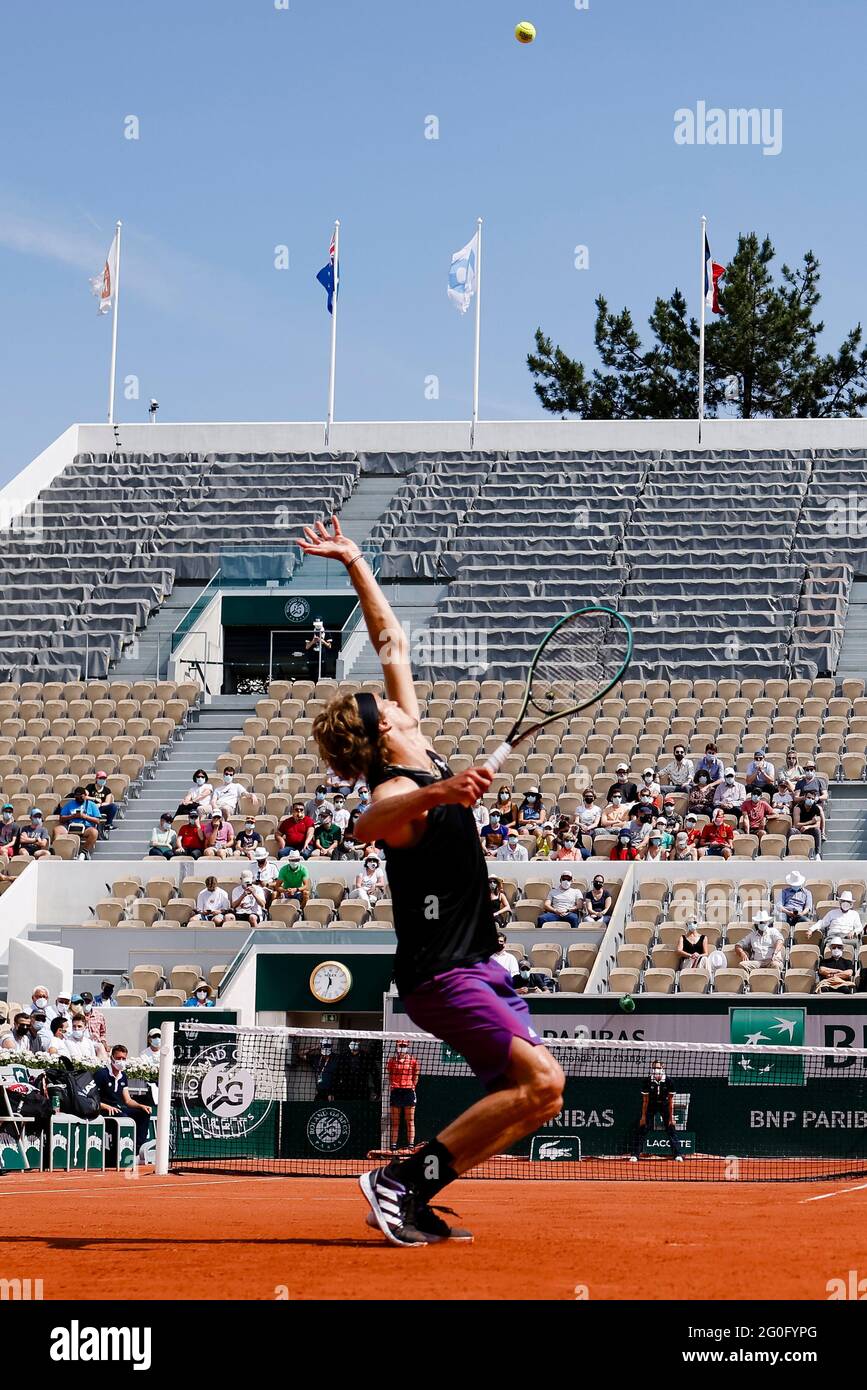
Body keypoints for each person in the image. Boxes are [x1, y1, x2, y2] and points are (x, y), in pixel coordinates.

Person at [301, 514, 564, 1246]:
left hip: (475, 963)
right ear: (377, 730)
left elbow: (391, 641)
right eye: (379, 700)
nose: (389, 693)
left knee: (537, 1097)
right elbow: (362, 828)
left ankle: (412, 1196)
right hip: (441, 976)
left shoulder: (415, 740)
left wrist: (355, 561)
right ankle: (395, 1182)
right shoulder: (394, 793)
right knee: (542, 1084)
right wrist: (436, 797)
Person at [94, 1044, 152, 1157]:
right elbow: (92, 1097)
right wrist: (105, 1106)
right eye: (118, 1058)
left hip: (118, 1108)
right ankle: (118, 1152)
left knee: (144, 1113)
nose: (121, 1061)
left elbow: (128, 1100)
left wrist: (140, 1106)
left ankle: (136, 1150)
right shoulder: (101, 1074)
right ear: (112, 1058)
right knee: (123, 1116)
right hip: (104, 1109)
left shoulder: (123, 1076)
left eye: (123, 1058)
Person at [629, 1060, 683, 1163]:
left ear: (663, 1068)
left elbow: (671, 1101)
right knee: (643, 1128)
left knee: (671, 1128)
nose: (655, 1070)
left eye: (658, 1068)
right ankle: (635, 1155)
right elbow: (645, 1101)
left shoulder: (669, 1081)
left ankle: (678, 1154)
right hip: (651, 1105)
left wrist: (671, 1118)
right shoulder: (647, 1081)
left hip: (665, 1105)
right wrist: (643, 1117)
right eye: (654, 1068)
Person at [387, 1040, 421, 1151]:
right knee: (395, 1122)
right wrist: (394, 1085)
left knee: (410, 1120)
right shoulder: (391, 1061)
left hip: (408, 1092)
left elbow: (416, 1076)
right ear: (396, 1047)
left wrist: (411, 1086)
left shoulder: (413, 1061)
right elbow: (390, 1075)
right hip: (396, 1092)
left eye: (404, 1046)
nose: (402, 1048)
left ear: (407, 1047)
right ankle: (393, 1147)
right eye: (400, 1046)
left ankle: (411, 1146)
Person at [57, 786, 102, 858]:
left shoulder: (91, 805)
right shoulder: (70, 804)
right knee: (57, 830)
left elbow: (97, 821)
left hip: (86, 827)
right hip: (71, 826)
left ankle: (84, 853)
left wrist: (85, 817)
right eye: (77, 797)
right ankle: (58, 851)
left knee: (94, 832)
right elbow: (61, 818)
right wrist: (72, 816)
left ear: (85, 796)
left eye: (81, 797)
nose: (79, 799)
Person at [793, 792, 825, 858]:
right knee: (792, 830)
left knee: (817, 830)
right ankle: (789, 853)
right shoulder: (798, 808)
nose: (810, 800)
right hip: (799, 830)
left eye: (812, 798)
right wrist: (811, 822)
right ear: (804, 798)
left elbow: (818, 825)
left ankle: (817, 854)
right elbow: (796, 825)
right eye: (809, 798)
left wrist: (808, 826)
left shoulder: (816, 809)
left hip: (810, 830)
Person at [85, 771, 118, 835]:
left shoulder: (107, 790)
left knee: (113, 806)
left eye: (104, 778)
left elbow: (107, 802)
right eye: (100, 778)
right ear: (96, 779)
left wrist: (99, 805)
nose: (102, 780)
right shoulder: (90, 787)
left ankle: (108, 824)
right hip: (90, 807)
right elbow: (84, 796)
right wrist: (94, 799)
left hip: (100, 808)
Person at [575, 789, 602, 854]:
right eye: (587, 796)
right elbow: (576, 821)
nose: (588, 798)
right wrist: (582, 826)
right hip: (581, 828)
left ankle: (593, 853)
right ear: (584, 797)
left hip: (592, 829)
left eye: (590, 796)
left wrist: (588, 828)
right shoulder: (579, 808)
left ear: (594, 797)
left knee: (595, 833)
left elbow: (596, 823)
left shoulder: (597, 809)